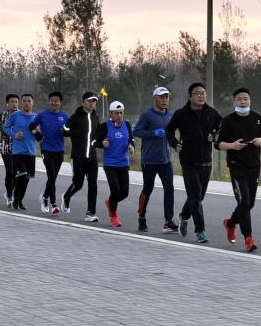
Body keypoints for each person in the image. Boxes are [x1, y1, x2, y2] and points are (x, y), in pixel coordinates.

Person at [216, 88, 261, 252]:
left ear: (250, 100)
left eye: (246, 98)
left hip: (254, 166)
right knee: (244, 202)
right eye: (239, 99)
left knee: (250, 204)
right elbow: (218, 143)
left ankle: (230, 223)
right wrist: (233, 146)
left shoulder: (259, 118)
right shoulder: (228, 121)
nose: (243, 101)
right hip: (236, 167)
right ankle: (248, 238)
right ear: (234, 101)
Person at [166, 82, 222, 243]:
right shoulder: (181, 114)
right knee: (195, 196)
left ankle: (183, 217)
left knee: (198, 197)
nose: (201, 95)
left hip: (206, 161)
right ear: (190, 96)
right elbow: (168, 131)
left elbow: (222, 127)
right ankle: (200, 231)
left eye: (203, 93)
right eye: (197, 93)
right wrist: (175, 143)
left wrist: (215, 136)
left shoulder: (212, 113)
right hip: (188, 161)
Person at [133, 86, 178, 233]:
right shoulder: (147, 115)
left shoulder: (170, 115)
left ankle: (168, 221)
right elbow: (136, 131)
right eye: (161, 97)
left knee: (169, 188)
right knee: (148, 188)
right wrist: (153, 133)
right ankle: (141, 217)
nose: (165, 100)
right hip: (149, 160)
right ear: (155, 98)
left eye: (167, 97)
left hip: (166, 160)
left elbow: (171, 135)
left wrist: (175, 144)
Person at [94, 101, 135, 227]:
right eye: (116, 113)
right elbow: (95, 142)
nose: (119, 115)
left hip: (123, 163)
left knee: (125, 193)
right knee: (115, 190)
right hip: (110, 164)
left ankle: (110, 202)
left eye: (121, 113)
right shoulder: (104, 126)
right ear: (110, 114)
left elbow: (131, 140)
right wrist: (102, 144)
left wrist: (132, 147)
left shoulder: (127, 125)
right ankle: (114, 216)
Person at [62, 91, 101, 222]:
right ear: (83, 102)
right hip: (78, 157)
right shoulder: (75, 117)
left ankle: (90, 213)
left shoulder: (96, 118)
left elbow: (98, 135)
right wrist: (77, 133)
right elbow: (64, 130)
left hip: (92, 157)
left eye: (94, 101)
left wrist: (99, 142)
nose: (92, 103)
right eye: (89, 101)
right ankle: (66, 196)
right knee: (78, 184)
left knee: (93, 185)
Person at [31, 91, 69, 215]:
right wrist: (38, 135)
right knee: (51, 176)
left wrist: (67, 132)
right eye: (52, 100)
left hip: (60, 150)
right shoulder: (43, 115)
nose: (54, 102)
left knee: (53, 177)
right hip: (46, 149)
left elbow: (70, 130)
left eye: (56, 100)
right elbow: (31, 126)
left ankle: (44, 197)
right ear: (49, 102)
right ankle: (54, 203)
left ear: (60, 102)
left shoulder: (65, 116)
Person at [3, 93, 38, 211]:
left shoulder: (36, 117)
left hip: (31, 152)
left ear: (32, 103)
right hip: (18, 152)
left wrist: (37, 132)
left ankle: (20, 200)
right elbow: (6, 127)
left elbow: (40, 134)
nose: (26, 103)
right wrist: (14, 135)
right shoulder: (15, 115)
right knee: (22, 175)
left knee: (26, 178)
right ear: (22, 103)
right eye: (24, 101)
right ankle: (15, 198)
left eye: (29, 101)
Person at [0, 94, 19, 204]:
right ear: (7, 103)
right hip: (6, 147)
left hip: (18, 147)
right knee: (9, 171)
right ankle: (10, 195)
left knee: (16, 172)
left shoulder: (21, 115)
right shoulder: (3, 115)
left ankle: (10, 191)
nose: (14, 104)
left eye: (16, 102)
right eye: (12, 102)